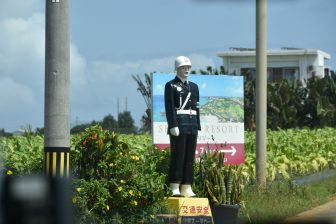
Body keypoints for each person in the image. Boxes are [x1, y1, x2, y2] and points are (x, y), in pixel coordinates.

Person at [164, 56, 201, 197]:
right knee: (178, 156)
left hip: (192, 125)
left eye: (188, 67)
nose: (186, 70)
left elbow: (197, 107)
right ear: (177, 69)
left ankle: (187, 185)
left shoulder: (194, 87)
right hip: (179, 124)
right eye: (183, 67)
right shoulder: (171, 85)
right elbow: (169, 107)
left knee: (189, 157)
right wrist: (173, 124)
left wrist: (197, 124)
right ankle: (174, 185)